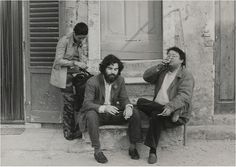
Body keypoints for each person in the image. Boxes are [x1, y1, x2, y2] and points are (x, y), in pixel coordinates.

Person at [78, 54, 142, 163]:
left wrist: (128, 106)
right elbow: (86, 104)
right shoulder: (92, 81)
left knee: (134, 112)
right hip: (99, 115)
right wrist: (104, 108)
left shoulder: (120, 80)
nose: (113, 72)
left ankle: (133, 146)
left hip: (113, 113)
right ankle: (97, 150)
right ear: (103, 69)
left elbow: (124, 98)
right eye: (110, 68)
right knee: (90, 114)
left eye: (116, 69)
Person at [137, 46, 195, 164]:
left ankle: (152, 151)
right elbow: (146, 77)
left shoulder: (186, 75)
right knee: (140, 102)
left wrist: (171, 107)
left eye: (174, 56)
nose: (170, 58)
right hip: (161, 108)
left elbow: (184, 95)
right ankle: (167, 112)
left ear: (181, 60)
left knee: (155, 115)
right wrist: (159, 66)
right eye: (168, 55)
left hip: (175, 109)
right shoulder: (163, 71)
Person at [50, 22, 89, 140]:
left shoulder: (82, 41)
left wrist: (83, 64)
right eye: (79, 37)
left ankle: (78, 128)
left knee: (82, 99)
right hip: (64, 74)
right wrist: (75, 63)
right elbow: (58, 60)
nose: (81, 40)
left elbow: (83, 56)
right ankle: (68, 131)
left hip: (77, 74)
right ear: (74, 34)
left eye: (84, 38)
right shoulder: (64, 40)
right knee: (68, 102)